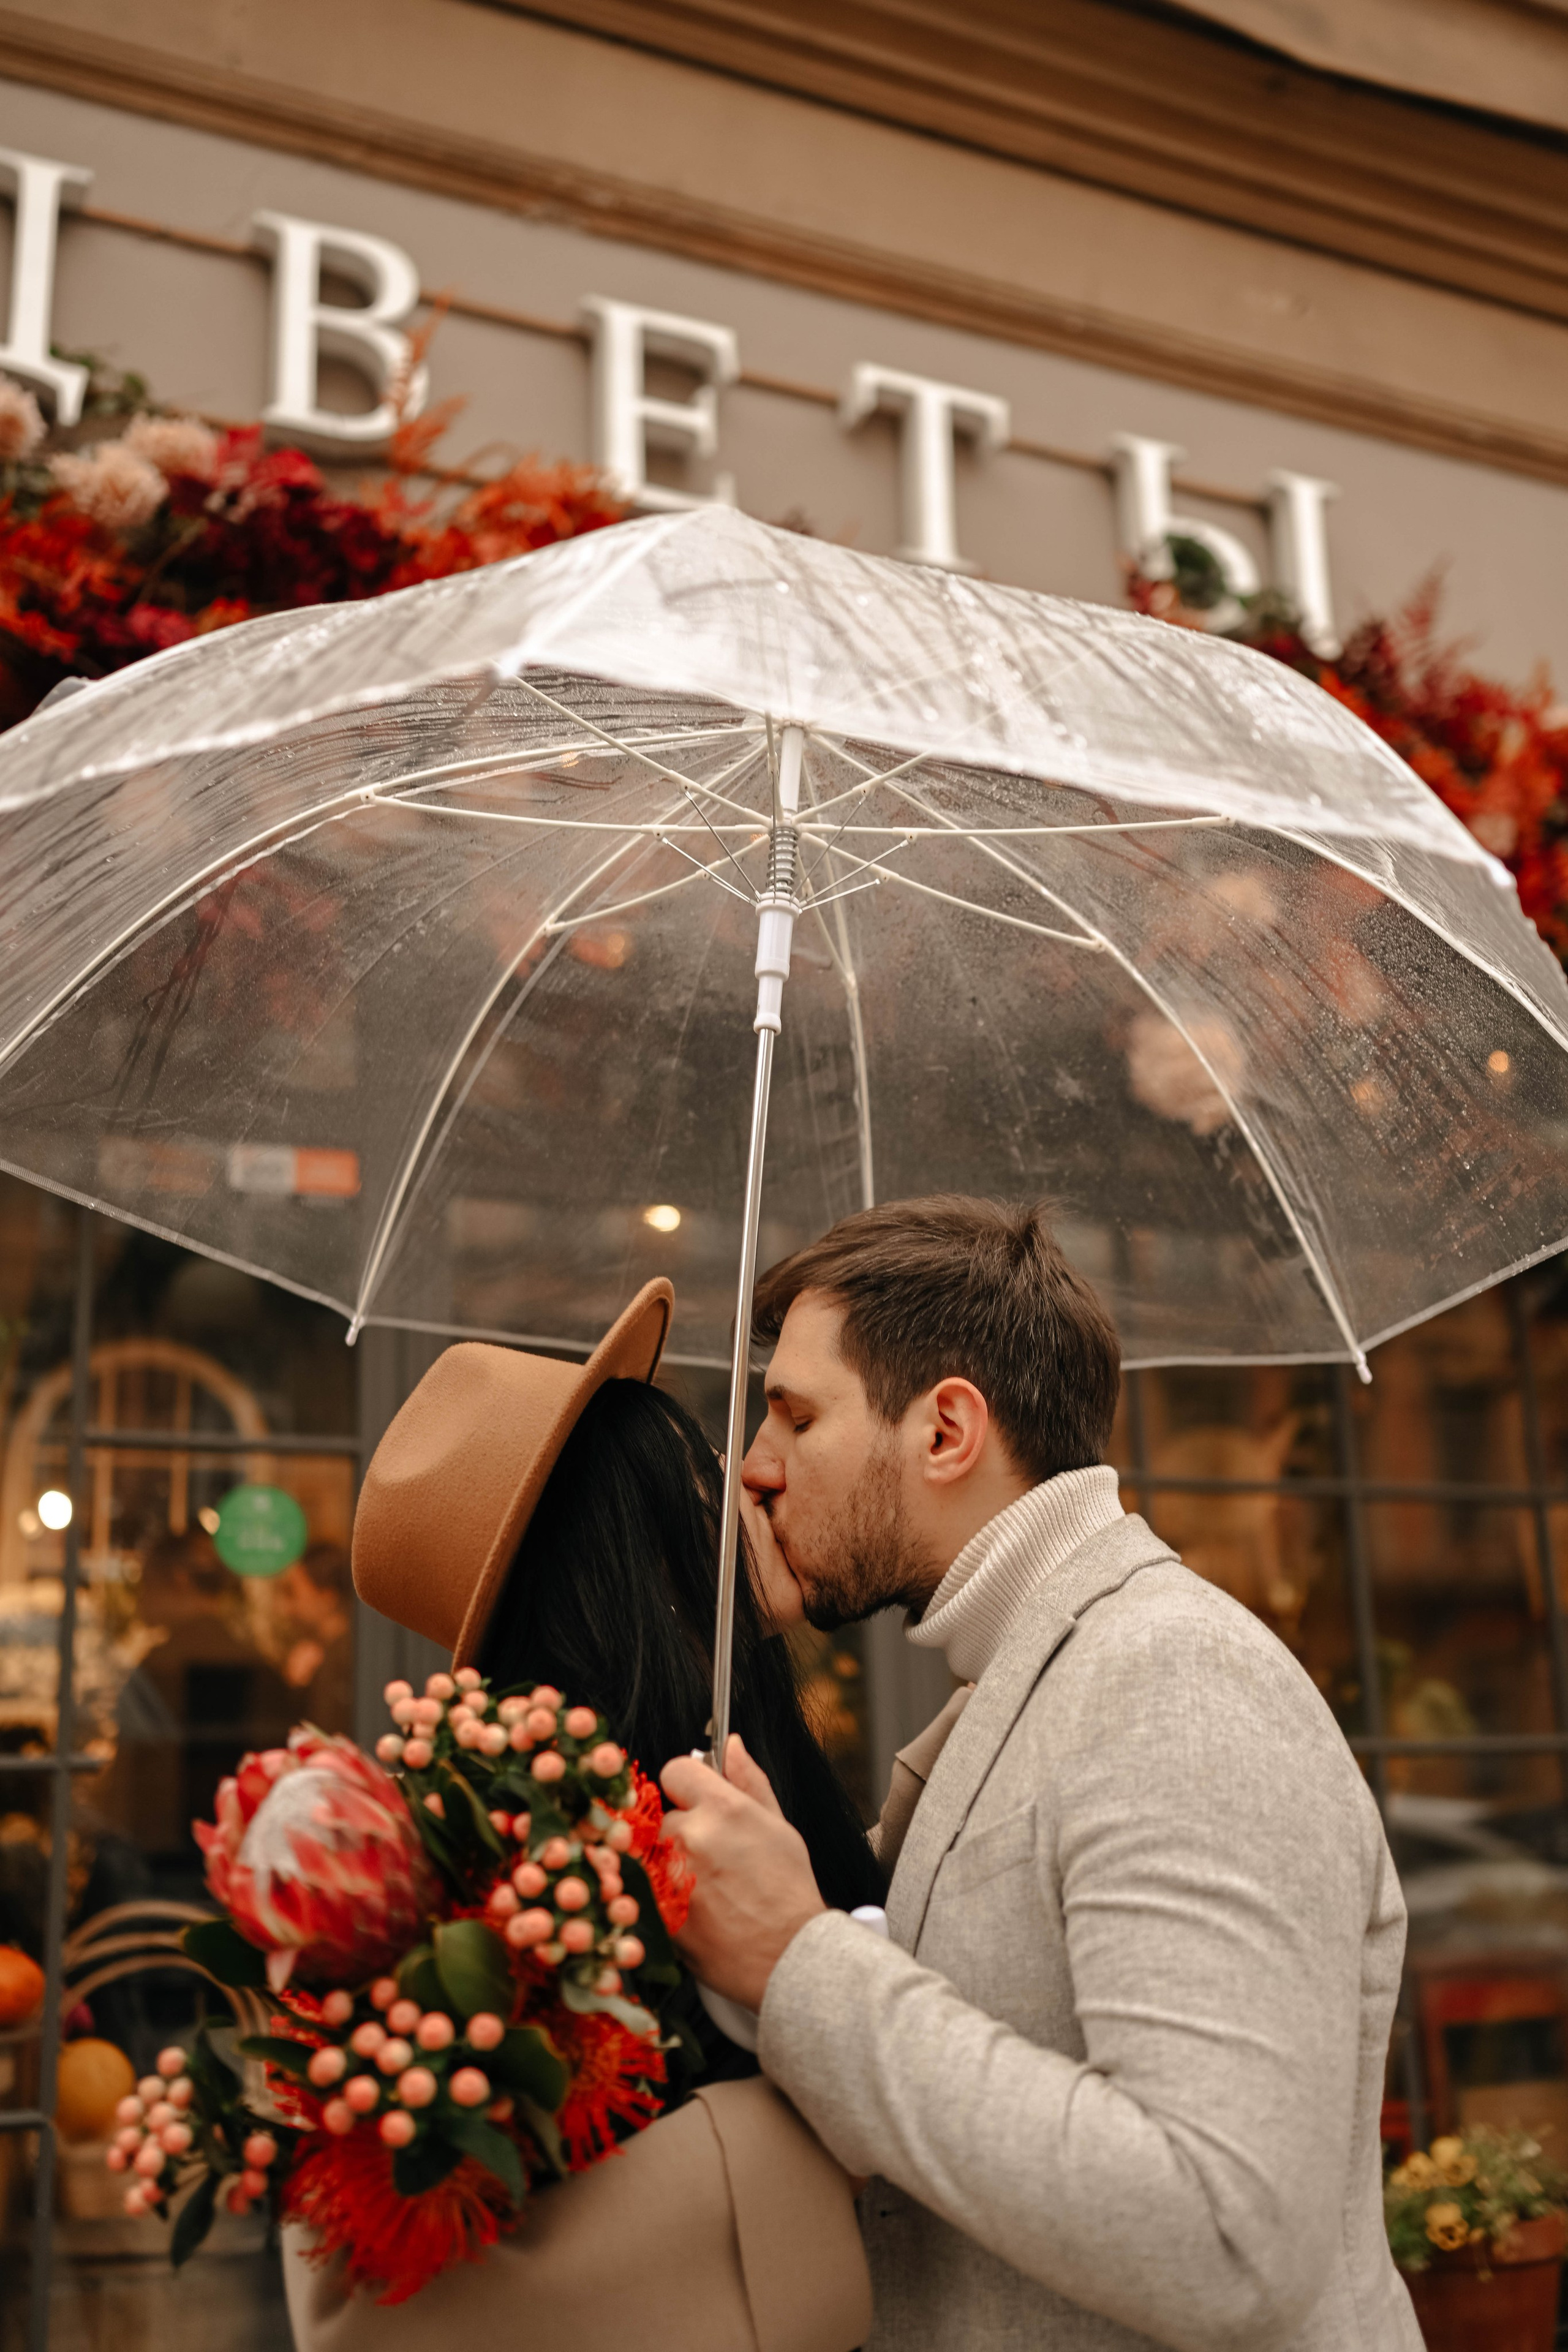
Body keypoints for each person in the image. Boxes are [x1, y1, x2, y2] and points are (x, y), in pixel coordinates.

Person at [662, 1197, 1424, 2351]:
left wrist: (798, 1964)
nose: (755, 1470)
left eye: (797, 1417)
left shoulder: (1176, 1681)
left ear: (946, 1431)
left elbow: (1226, 2236)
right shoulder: (1026, 1683)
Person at [285, 1277, 875, 2352]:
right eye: (695, 1482)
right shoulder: (542, 1840)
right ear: (635, 1545)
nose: (741, 1480)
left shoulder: (711, 1763)